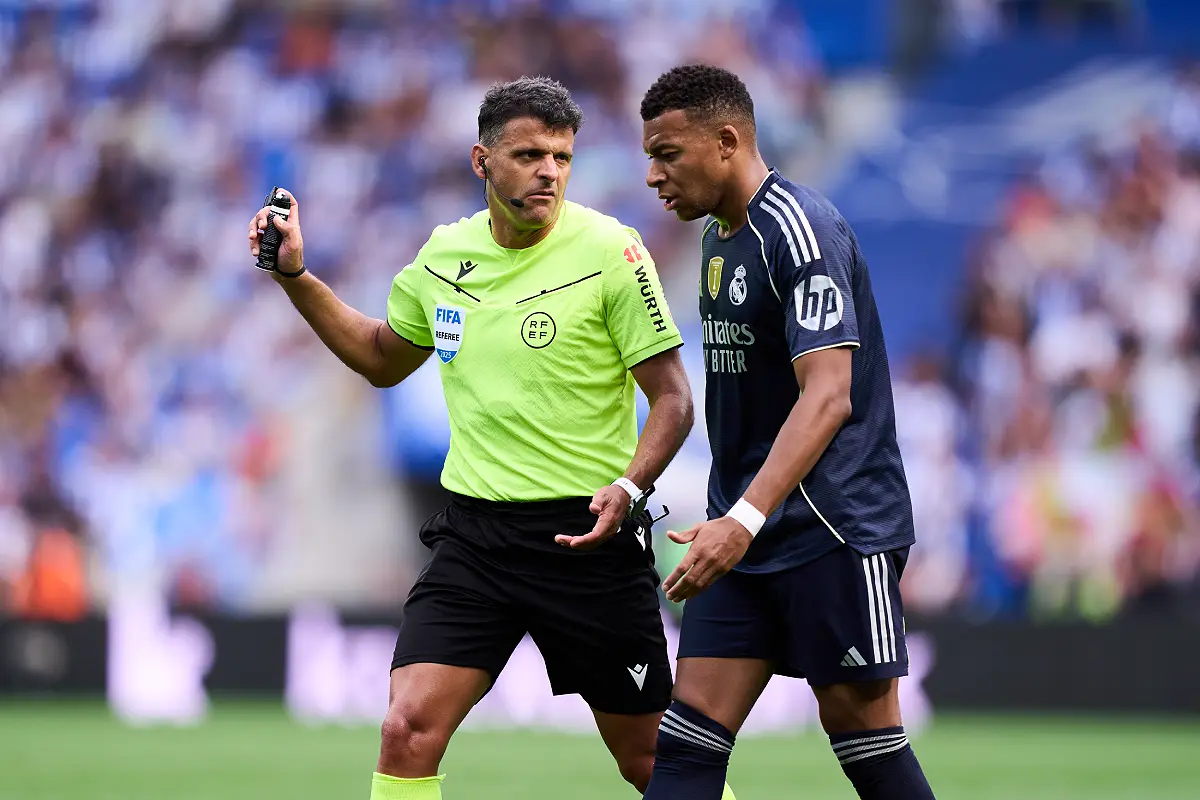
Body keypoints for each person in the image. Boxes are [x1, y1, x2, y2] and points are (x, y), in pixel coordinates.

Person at [248, 77, 724, 800]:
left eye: (562, 157)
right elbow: (382, 356)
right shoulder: (444, 256)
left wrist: (629, 486)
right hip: (477, 538)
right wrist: (296, 278)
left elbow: (674, 401)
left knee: (650, 759)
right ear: (482, 161)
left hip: (587, 538)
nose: (549, 172)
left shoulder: (611, 252)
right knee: (407, 728)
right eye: (531, 154)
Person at [638, 65, 937, 800]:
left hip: (833, 528)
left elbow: (829, 397)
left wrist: (741, 518)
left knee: (866, 741)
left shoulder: (801, 233)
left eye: (668, 154)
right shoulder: (716, 242)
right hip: (745, 533)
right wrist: (736, 518)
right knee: (685, 743)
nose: (652, 175)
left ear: (728, 140)